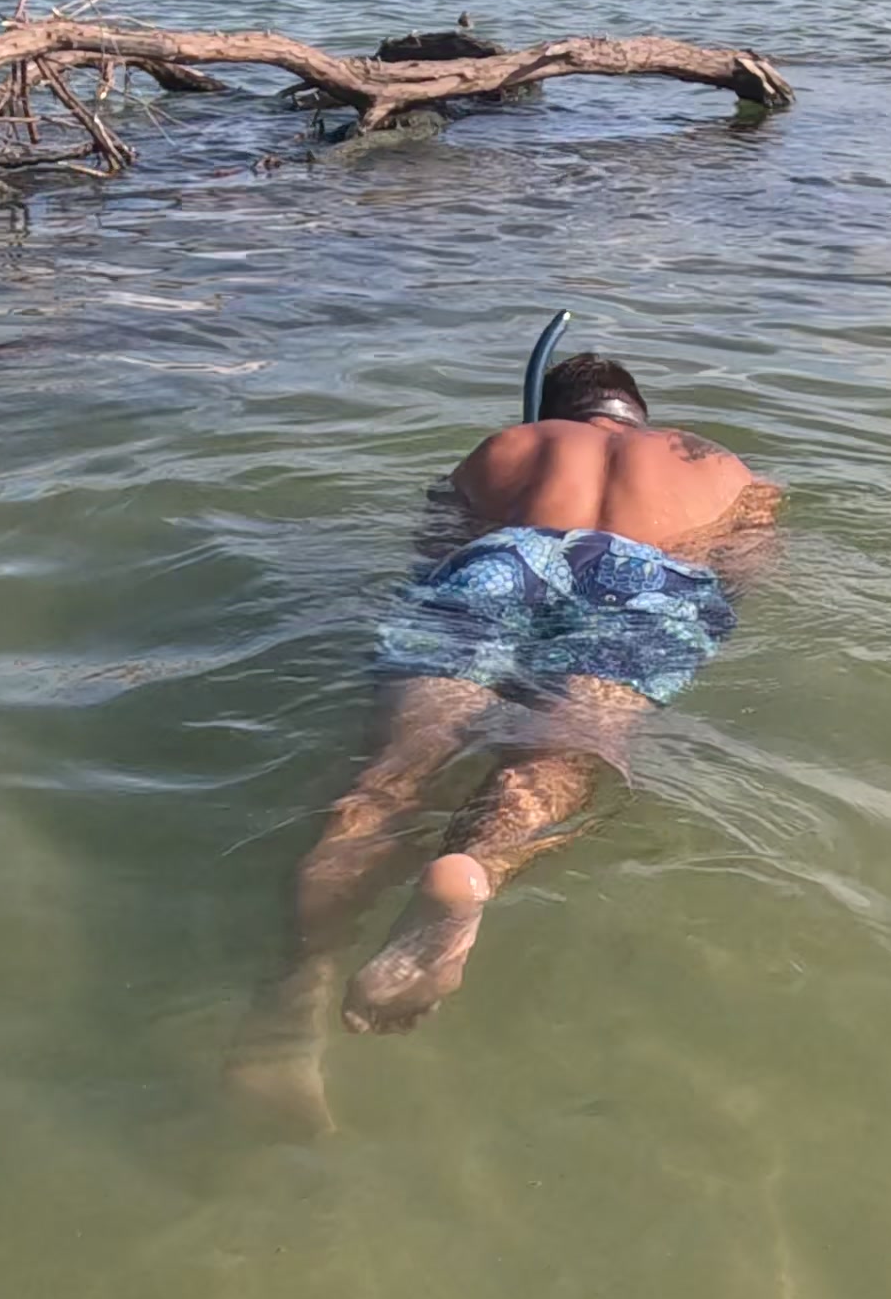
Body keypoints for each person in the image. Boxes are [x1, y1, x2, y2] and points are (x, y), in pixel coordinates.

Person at [260, 346, 778, 1068]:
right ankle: (475, 866)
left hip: (504, 562)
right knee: (559, 755)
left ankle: (298, 991)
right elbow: (746, 575)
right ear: (637, 413)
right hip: (642, 574)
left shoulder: (505, 447)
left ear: (552, 414)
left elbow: (436, 551)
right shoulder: (722, 467)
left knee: (391, 775)